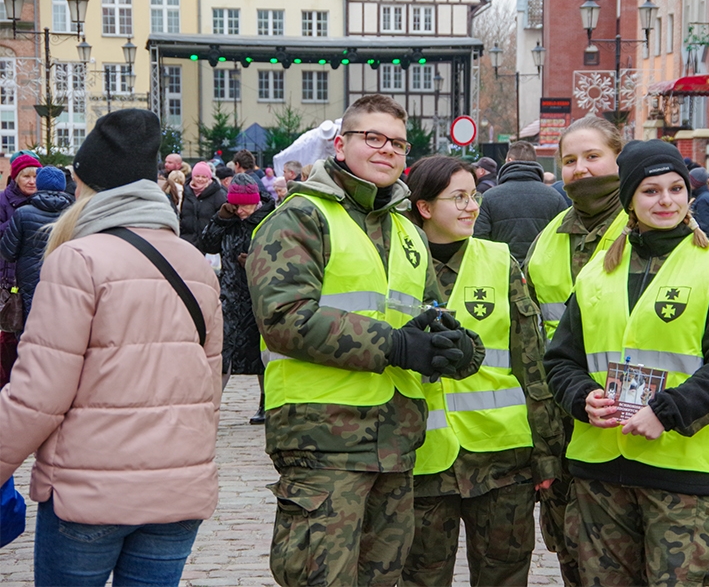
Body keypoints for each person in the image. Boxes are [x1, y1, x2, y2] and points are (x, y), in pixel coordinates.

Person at [246, 94, 484, 587]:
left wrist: (459, 348)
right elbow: (284, 316)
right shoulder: (301, 216)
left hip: (395, 440)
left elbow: (432, 315)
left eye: (397, 142)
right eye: (371, 138)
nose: (386, 150)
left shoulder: (405, 229)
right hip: (321, 439)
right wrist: (395, 346)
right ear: (340, 144)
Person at [0, 108, 222, 586]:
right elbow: (208, 388)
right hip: (176, 493)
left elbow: (39, 393)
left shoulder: (77, 259)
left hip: (90, 492)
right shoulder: (195, 265)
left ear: (87, 184)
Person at [545, 139, 709, 586]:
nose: (666, 201)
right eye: (650, 191)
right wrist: (583, 398)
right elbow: (561, 360)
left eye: (676, 189)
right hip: (599, 469)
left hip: (681, 472)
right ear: (629, 201)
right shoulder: (596, 272)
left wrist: (667, 412)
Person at [401, 156, 563, 587]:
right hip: (422, 460)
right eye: (458, 198)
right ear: (424, 207)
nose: (472, 206)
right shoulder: (398, 264)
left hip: (502, 458)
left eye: (474, 196)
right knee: (421, 577)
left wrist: (546, 453)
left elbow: (531, 361)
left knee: (504, 575)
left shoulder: (499, 260)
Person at [522, 114, 625, 587]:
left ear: (619, 159)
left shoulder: (648, 224)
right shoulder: (549, 237)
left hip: (625, 423)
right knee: (569, 547)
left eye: (592, 157)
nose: (580, 169)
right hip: (561, 426)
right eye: (569, 160)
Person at [199, 174, 275, 424]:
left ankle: (267, 403)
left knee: (262, 354)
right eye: (236, 205)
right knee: (222, 352)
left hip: (260, 296)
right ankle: (212, 406)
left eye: (245, 206)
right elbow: (207, 244)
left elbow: (280, 257)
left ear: (255, 202)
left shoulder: (269, 220)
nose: (240, 211)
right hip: (230, 296)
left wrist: (254, 263)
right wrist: (220, 218)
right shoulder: (229, 220)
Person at [0, 166, 75, 323]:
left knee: (29, 321)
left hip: (29, 278)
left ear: (39, 184)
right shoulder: (73, 213)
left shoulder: (23, 213)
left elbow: (7, 252)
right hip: (64, 275)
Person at [474, 141, 568, 265]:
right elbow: (564, 242)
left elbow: (479, 241)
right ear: (535, 162)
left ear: (509, 160)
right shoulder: (555, 198)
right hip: (542, 274)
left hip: (501, 272)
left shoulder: (488, 197)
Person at [0, 153, 42, 386]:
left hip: (37, 276)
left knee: (34, 330)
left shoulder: (44, 200)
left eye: (36, 176)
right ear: (15, 177)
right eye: (26, 176)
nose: (31, 181)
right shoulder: (2, 200)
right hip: (10, 275)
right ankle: (7, 381)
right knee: (10, 327)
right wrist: (20, 219)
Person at [180, 161, 227, 248]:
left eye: (204, 177)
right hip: (186, 242)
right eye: (197, 176)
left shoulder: (218, 194)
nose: (200, 179)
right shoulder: (184, 193)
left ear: (209, 178)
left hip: (208, 244)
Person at [689, 167, 709, 242]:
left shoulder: (703, 200)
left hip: (703, 241)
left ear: (695, 183)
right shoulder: (707, 196)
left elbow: (704, 226)